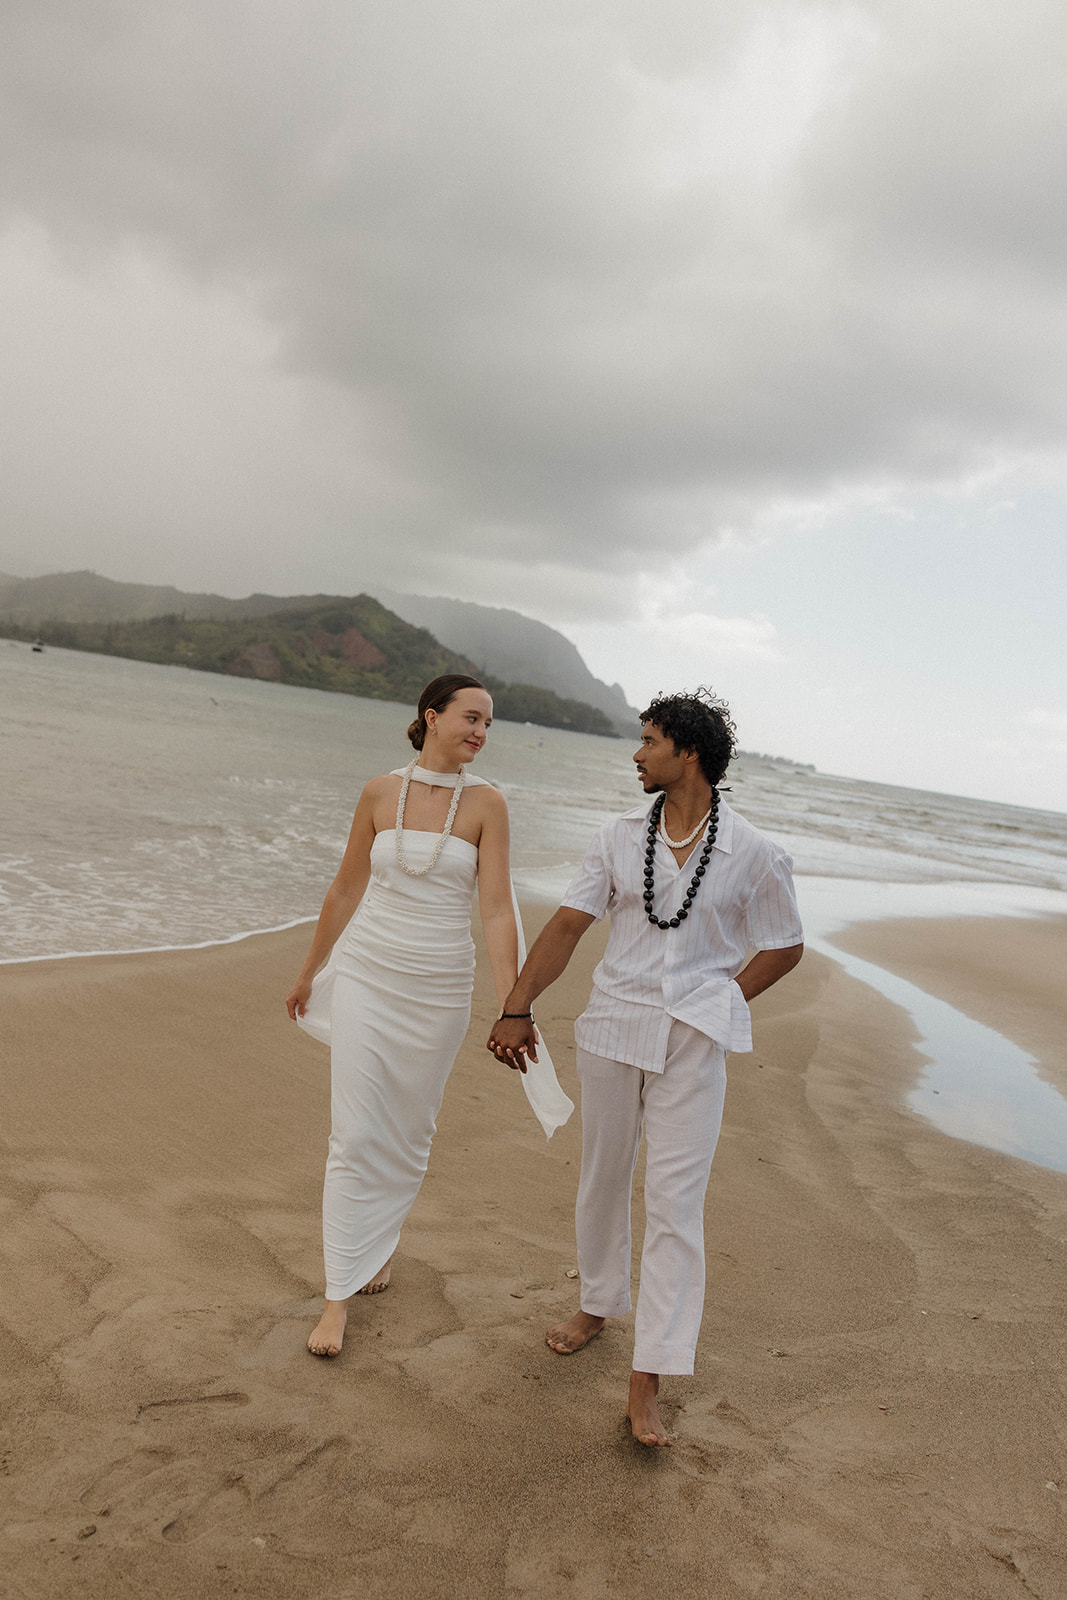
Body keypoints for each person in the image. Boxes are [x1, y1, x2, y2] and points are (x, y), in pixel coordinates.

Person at [487, 688, 803, 1447]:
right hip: (611, 1028)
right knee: (602, 1176)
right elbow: (568, 924)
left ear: (686, 751)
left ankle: (648, 1376)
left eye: (649, 740)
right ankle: (597, 1302)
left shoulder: (756, 852)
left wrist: (723, 996)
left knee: (674, 1204)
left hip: (694, 1043)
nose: (636, 753)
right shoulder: (616, 835)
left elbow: (784, 942)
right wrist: (516, 1003)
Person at [287, 675, 571, 1359]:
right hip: (366, 976)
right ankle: (337, 1297)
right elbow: (345, 885)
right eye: (471, 718)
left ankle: (377, 1244)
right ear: (431, 717)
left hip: (438, 988)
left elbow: (498, 910)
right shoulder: (380, 792)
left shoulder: (486, 804)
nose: (479, 732)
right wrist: (309, 970)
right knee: (354, 1132)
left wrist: (515, 1004)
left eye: (488, 724)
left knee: (408, 1130)